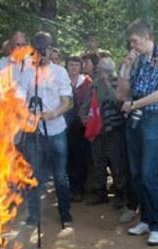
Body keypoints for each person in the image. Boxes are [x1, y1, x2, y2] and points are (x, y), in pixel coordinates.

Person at [117, 19, 158, 246]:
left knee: (149, 173)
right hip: (135, 119)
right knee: (136, 173)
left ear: (148, 37)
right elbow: (123, 93)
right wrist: (126, 67)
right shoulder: (138, 59)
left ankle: (157, 226)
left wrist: (135, 104)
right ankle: (145, 219)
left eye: (135, 41)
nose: (133, 46)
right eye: (131, 42)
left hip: (152, 119)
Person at [18, 31, 73, 226]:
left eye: (46, 48)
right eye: (39, 48)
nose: (43, 52)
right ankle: (34, 215)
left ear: (51, 49)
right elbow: (19, 97)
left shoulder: (60, 72)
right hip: (34, 130)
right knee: (34, 173)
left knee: (60, 174)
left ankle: (65, 212)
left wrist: (53, 113)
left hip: (56, 129)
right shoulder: (26, 70)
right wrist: (27, 112)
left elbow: (67, 102)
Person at [79, 56, 128, 208]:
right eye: (98, 69)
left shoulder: (117, 82)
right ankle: (101, 193)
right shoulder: (94, 84)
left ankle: (120, 193)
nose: (99, 72)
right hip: (97, 130)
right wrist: (83, 115)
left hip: (113, 129)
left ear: (109, 71)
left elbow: (118, 102)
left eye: (101, 70)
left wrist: (107, 83)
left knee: (116, 163)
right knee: (98, 162)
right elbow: (87, 103)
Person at [65, 55, 92, 203]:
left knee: (81, 157)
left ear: (80, 67)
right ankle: (72, 188)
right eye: (71, 65)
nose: (73, 67)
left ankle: (80, 188)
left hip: (82, 124)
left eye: (76, 65)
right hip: (66, 124)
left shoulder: (87, 82)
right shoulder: (62, 80)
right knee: (68, 157)